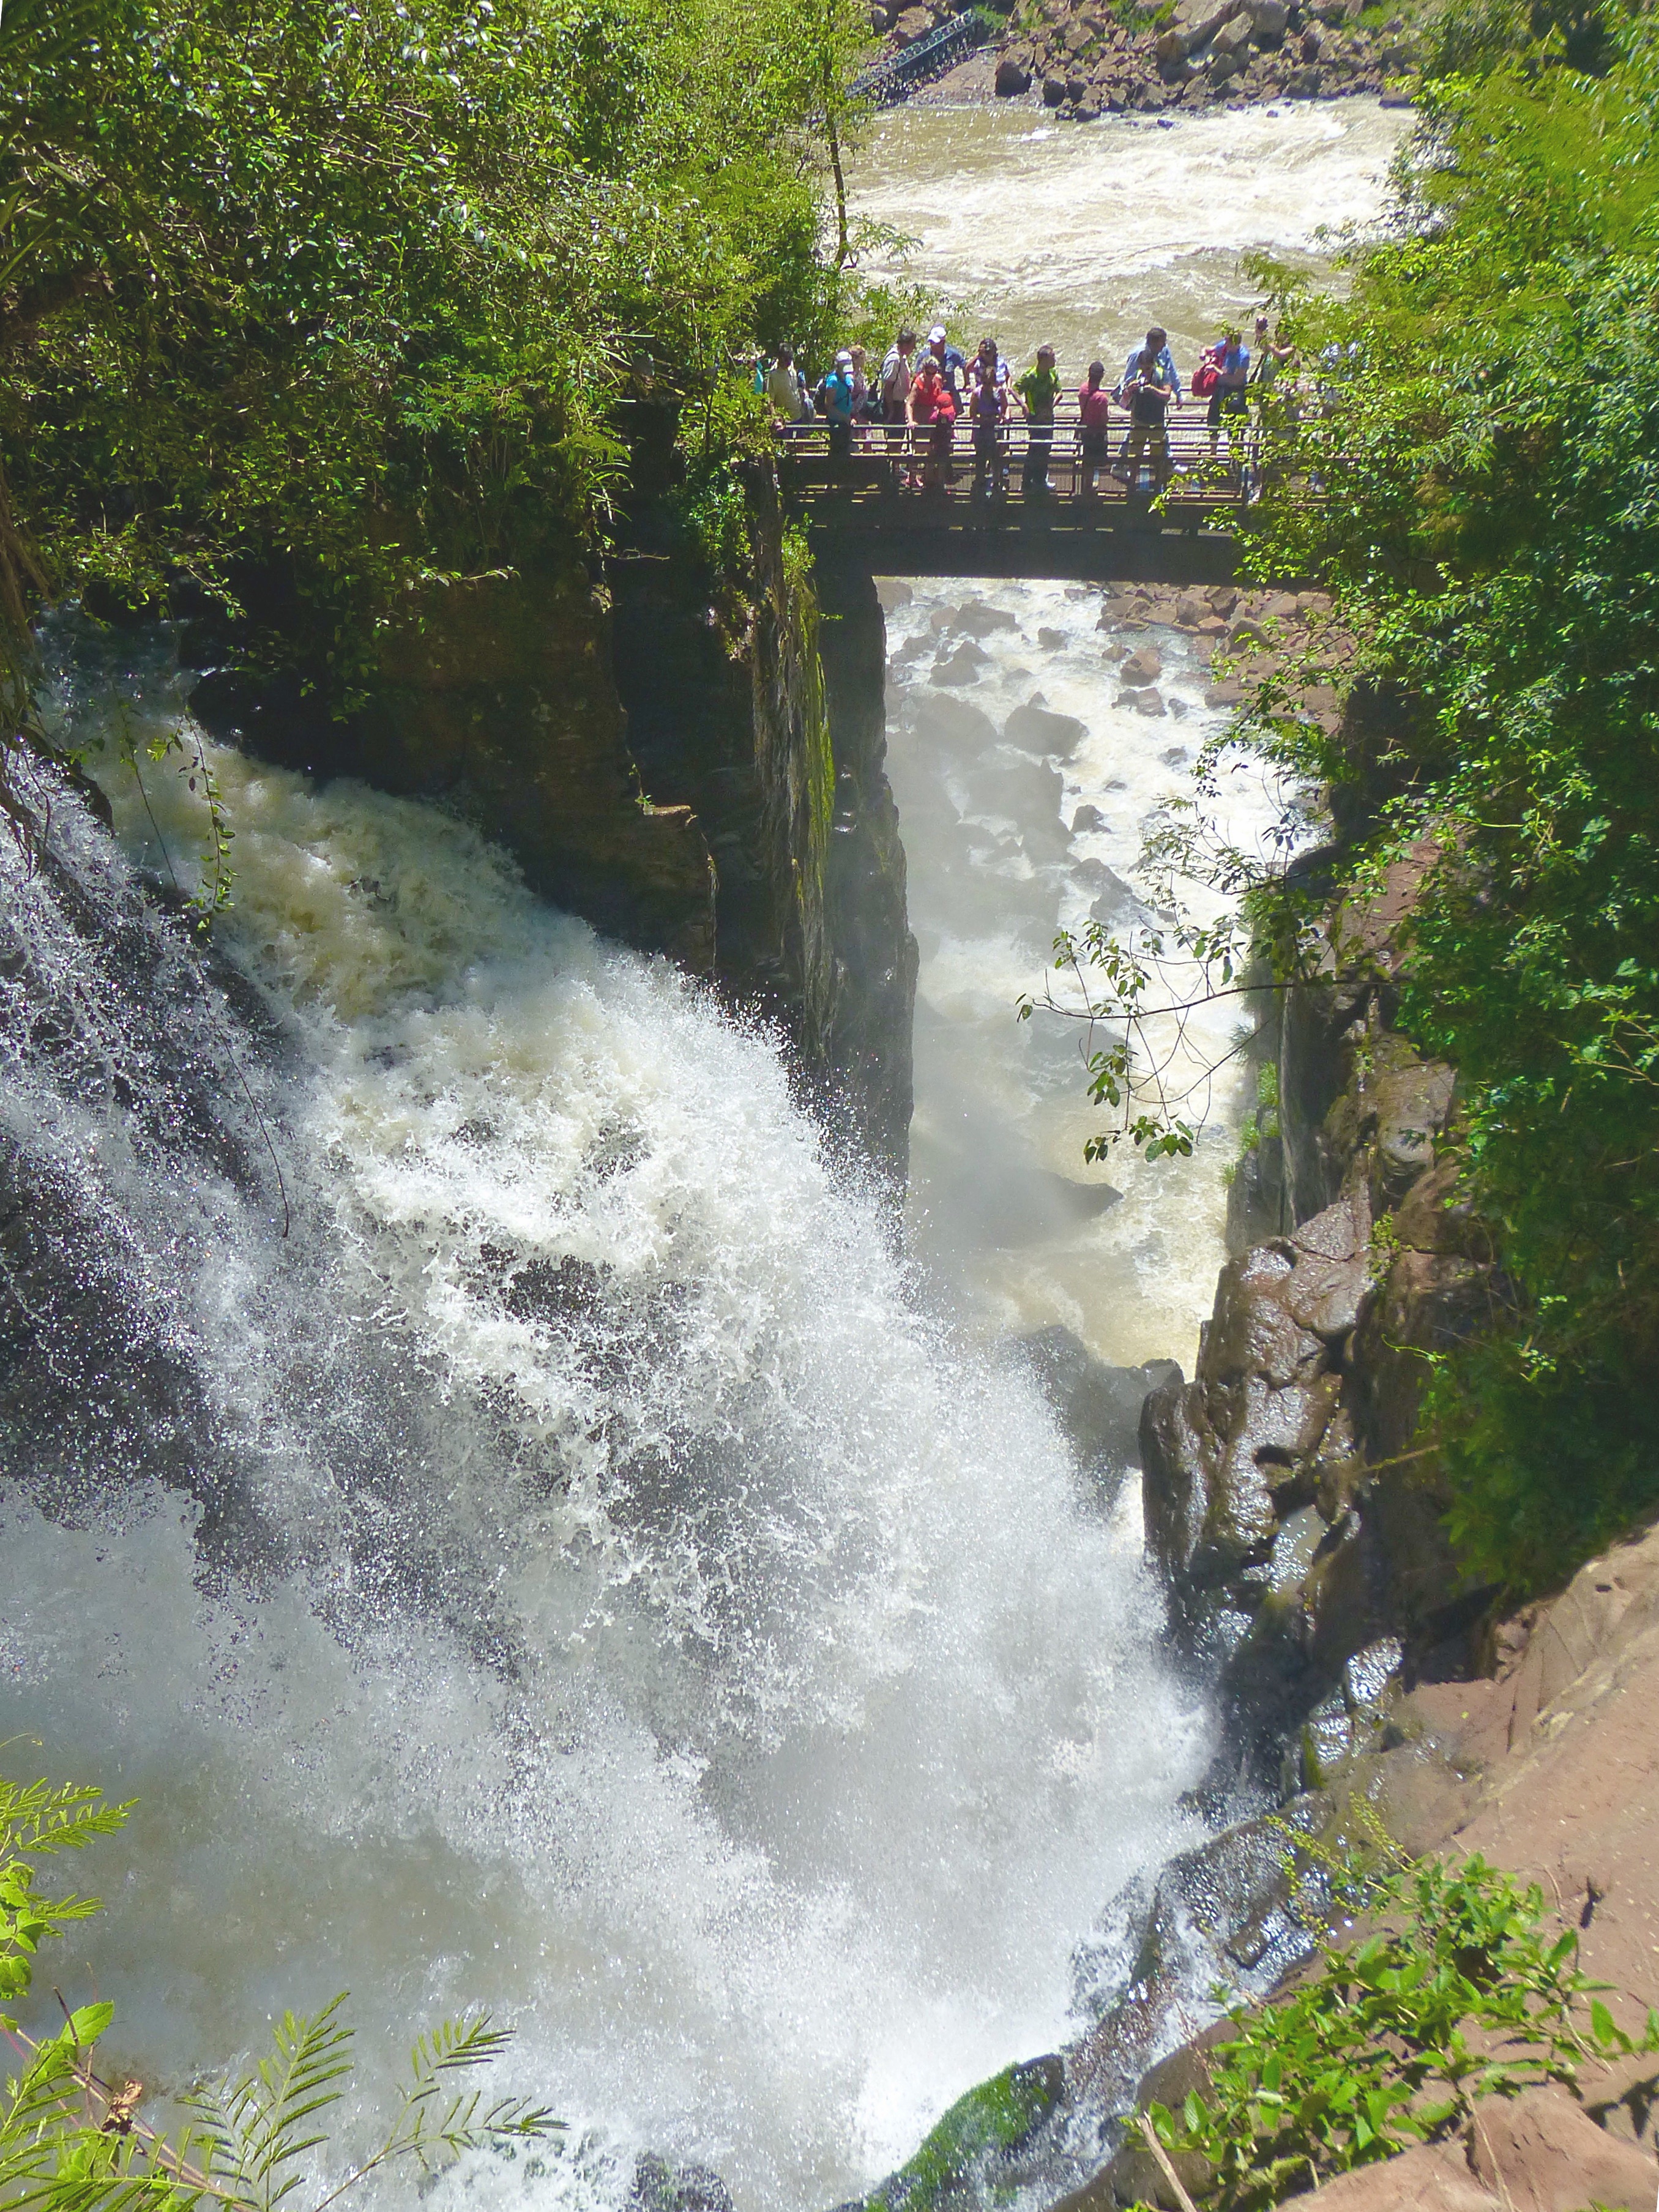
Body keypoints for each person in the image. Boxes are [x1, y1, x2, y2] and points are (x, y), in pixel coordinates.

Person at [1114, 341, 1174, 491]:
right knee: (1135, 456)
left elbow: (1167, 395)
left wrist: (1153, 389)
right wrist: (1129, 389)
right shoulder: (1137, 375)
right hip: (1138, 421)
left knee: (1157, 456)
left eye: (1148, 368)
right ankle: (1132, 485)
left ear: (1153, 364)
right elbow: (1124, 400)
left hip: (1156, 422)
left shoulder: (1163, 375)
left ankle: (1158, 485)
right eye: (1142, 368)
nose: (1145, 372)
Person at [1015, 343, 1061, 496]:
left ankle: (1041, 480)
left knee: (1046, 449)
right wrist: (1023, 406)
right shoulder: (1031, 376)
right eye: (1052, 357)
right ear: (1043, 360)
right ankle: (1027, 482)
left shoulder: (1053, 373)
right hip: (1035, 419)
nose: (1055, 360)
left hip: (1048, 417)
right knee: (1035, 450)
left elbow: (1060, 392)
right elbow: (1014, 389)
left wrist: (1051, 406)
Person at [909, 354, 957, 494]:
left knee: (931, 451)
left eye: (934, 372)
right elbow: (910, 403)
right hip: (920, 418)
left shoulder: (938, 380)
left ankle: (929, 480)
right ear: (924, 370)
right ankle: (912, 477)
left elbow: (941, 399)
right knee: (918, 450)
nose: (931, 375)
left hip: (933, 419)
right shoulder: (918, 384)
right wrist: (911, 420)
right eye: (928, 372)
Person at [965, 346, 1008, 499]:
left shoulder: (1000, 391)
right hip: (982, 430)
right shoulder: (977, 394)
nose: (988, 386)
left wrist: (1001, 418)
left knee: (996, 458)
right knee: (981, 458)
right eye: (986, 383)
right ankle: (980, 483)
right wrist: (985, 419)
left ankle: (997, 483)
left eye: (991, 383)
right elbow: (972, 414)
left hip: (995, 430)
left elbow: (1005, 407)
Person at [1207, 327, 1250, 470]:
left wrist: (1216, 371)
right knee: (1213, 421)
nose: (1225, 345)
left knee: (1235, 426)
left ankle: (1235, 460)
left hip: (1236, 392)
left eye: (1228, 342)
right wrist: (1206, 356)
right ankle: (1213, 457)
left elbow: (1237, 380)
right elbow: (1209, 349)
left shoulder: (1243, 356)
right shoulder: (1224, 347)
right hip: (1220, 391)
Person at [880, 327, 919, 486]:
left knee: (899, 439)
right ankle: (890, 474)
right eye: (912, 345)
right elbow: (888, 387)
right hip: (893, 404)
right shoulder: (894, 359)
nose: (914, 348)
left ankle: (895, 469)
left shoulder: (902, 357)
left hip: (899, 403)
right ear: (905, 344)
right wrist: (890, 410)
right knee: (893, 440)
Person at [1120, 325, 1183, 411]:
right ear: (1153, 343)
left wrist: (1178, 394)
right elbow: (1129, 380)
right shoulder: (1136, 355)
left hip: (1159, 399)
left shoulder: (1164, 350)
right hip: (1140, 401)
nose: (1164, 345)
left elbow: (1171, 372)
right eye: (1162, 342)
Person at [1076, 360, 1114, 497]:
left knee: (1087, 460)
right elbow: (1104, 419)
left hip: (1086, 430)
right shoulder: (1102, 398)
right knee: (1096, 460)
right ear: (1102, 376)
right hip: (1097, 432)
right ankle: (1090, 487)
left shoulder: (1082, 390)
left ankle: (1086, 485)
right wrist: (1109, 414)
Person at [816, 349, 859, 464]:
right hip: (836, 422)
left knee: (846, 452)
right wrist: (845, 418)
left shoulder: (847, 378)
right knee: (837, 454)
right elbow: (828, 405)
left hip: (846, 422)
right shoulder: (833, 381)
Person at [762, 344, 812, 431]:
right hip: (785, 421)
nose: (789, 362)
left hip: (798, 417)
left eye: (790, 359)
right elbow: (770, 400)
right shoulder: (773, 376)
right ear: (781, 358)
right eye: (787, 359)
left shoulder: (792, 371)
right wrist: (776, 418)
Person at [925, 322, 969, 406]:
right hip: (930, 395)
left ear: (943, 342)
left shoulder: (953, 354)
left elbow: (964, 366)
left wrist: (967, 383)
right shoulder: (924, 357)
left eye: (935, 343)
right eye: (931, 342)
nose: (932, 345)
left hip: (950, 393)